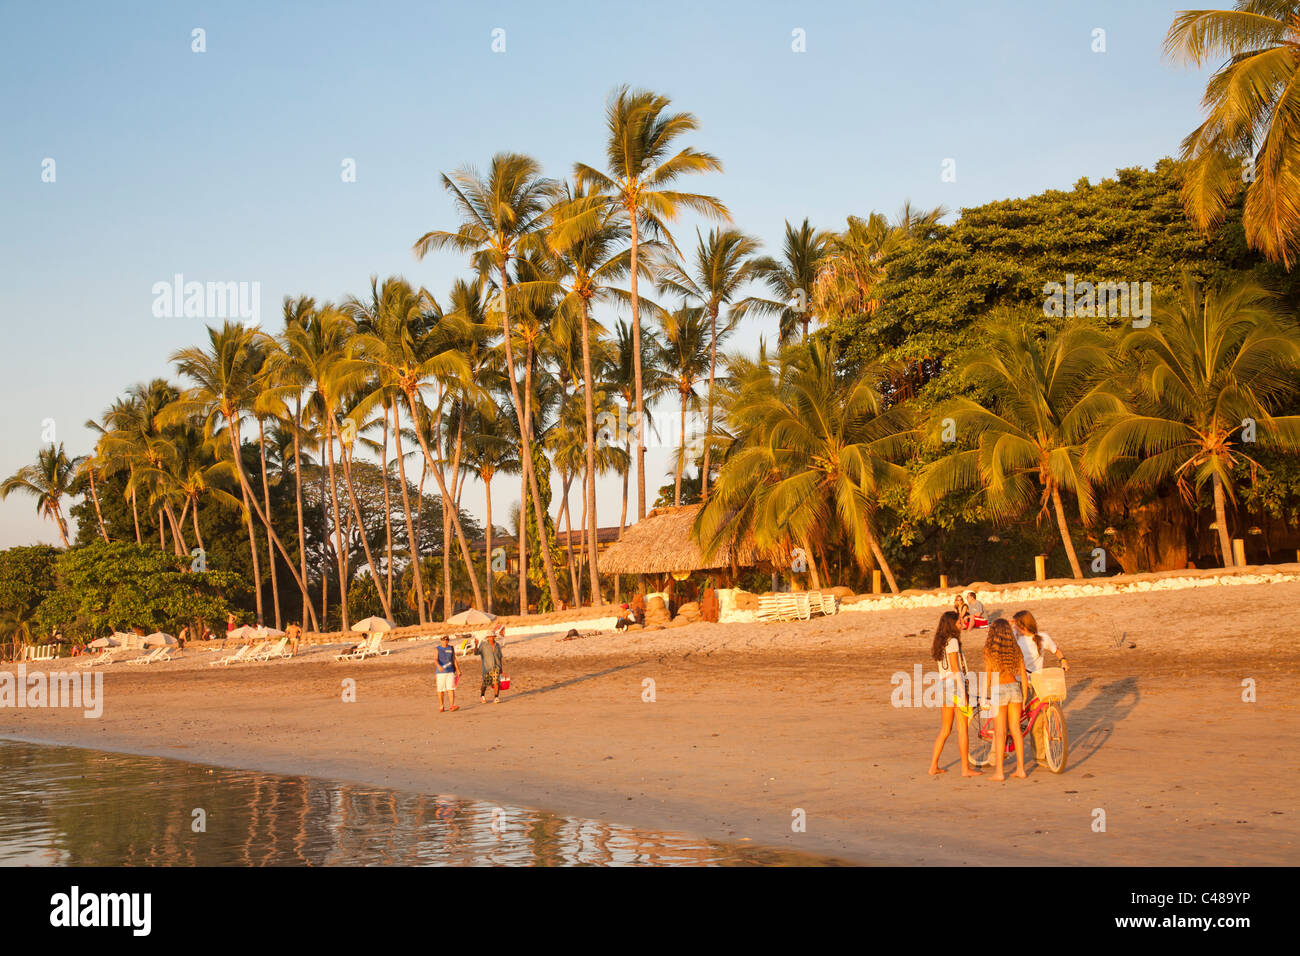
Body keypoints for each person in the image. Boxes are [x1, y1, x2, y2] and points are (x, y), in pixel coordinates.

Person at [928, 611, 981, 777]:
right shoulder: (952, 642)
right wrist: (963, 694)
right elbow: (955, 668)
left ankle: (933, 766)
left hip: (943, 685)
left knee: (945, 729)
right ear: (952, 624)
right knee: (962, 728)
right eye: (959, 621)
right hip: (954, 686)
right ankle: (965, 768)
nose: (962, 623)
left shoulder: (941, 642)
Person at [982, 619, 1028, 781]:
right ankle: (1021, 769)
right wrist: (1024, 696)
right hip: (1014, 688)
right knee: (1016, 730)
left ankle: (1000, 773)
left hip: (998, 690)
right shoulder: (1015, 648)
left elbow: (988, 676)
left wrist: (983, 697)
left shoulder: (989, 650)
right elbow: (1023, 674)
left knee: (1000, 733)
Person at [474, 629, 505, 703]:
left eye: (492, 636)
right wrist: (476, 645)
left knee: (496, 682)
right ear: (487, 637)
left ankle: (496, 697)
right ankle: (482, 695)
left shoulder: (497, 645)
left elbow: (500, 656)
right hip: (487, 667)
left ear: (494, 637)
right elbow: (476, 653)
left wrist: (501, 668)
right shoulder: (483, 645)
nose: (491, 638)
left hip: (496, 666)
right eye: (489, 637)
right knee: (485, 683)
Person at [435, 634, 461, 712]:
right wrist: (439, 666)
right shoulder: (437, 649)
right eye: (444, 639)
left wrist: (458, 669)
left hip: (450, 671)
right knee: (440, 690)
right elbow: (435, 659)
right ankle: (441, 706)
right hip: (440, 673)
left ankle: (452, 706)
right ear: (441, 640)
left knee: (451, 689)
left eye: (447, 640)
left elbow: (454, 659)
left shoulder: (451, 648)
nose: (445, 641)